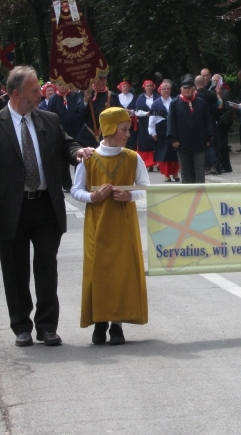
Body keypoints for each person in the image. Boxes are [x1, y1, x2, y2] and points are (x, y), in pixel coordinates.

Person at [0, 65, 93, 347]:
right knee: (15, 271)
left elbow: (66, 145)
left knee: (46, 268)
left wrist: (78, 151)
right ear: (15, 93)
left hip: (45, 207)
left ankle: (47, 326)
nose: (39, 95)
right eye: (33, 91)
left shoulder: (49, 120)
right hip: (10, 209)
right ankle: (21, 327)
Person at [71, 107, 149, 345]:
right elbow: (76, 190)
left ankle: (117, 325)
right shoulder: (89, 159)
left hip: (123, 224)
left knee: (122, 272)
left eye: (128, 129)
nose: (128, 134)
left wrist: (130, 196)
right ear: (109, 129)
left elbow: (145, 187)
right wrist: (92, 198)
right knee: (99, 271)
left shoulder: (133, 158)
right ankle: (99, 321)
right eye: (123, 129)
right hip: (97, 224)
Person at [167, 74, 214, 184]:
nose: (187, 90)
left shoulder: (201, 102)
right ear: (181, 90)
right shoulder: (174, 103)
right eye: (185, 88)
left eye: (189, 88)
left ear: (194, 89)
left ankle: (201, 191)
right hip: (182, 142)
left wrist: (208, 137)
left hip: (199, 141)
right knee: (185, 170)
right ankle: (187, 192)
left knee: (200, 167)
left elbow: (208, 120)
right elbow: (171, 122)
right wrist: (173, 139)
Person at [47, 80, 87, 193]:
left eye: (64, 84)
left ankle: (80, 183)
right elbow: (50, 116)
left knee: (79, 158)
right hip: (61, 133)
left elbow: (81, 111)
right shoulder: (53, 100)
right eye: (59, 85)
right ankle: (67, 185)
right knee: (63, 160)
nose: (62, 87)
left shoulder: (75, 96)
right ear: (56, 86)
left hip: (76, 132)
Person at [78, 73, 121, 148]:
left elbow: (119, 117)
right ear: (93, 80)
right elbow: (80, 115)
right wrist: (85, 100)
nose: (103, 81)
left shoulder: (112, 96)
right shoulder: (86, 94)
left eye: (105, 79)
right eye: (100, 79)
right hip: (88, 137)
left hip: (108, 136)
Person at [149, 81, 179, 182]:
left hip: (174, 129)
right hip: (161, 130)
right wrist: (152, 132)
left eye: (168, 89)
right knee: (164, 152)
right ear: (160, 91)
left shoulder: (175, 101)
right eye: (164, 89)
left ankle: (175, 172)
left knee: (174, 151)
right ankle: (166, 174)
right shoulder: (156, 103)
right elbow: (152, 119)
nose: (166, 90)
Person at [134, 80, 160, 171]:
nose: (149, 87)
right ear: (144, 87)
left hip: (156, 122)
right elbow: (136, 111)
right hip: (144, 123)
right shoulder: (140, 97)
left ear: (153, 87)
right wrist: (146, 113)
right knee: (144, 143)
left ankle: (158, 162)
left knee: (156, 142)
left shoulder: (157, 96)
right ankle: (149, 164)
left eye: (150, 86)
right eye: (147, 86)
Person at [212, 74, 234, 173]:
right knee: (219, 145)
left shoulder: (226, 92)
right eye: (214, 81)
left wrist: (223, 121)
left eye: (217, 81)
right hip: (217, 122)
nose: (216, 83)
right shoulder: (213, 92)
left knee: (223, 145)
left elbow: (229, 109)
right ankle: (221, 164)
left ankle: (225, 165)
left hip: (223, 123)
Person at [116, 80, 138, 150]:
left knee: (131, 139)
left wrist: (131, 111)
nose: (125, 88)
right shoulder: (117, 97)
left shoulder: (134, 97)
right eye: (124, 86)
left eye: (127, 86)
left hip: (131, 122)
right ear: (121, 88)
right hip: (120, 121)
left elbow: (137, 109)